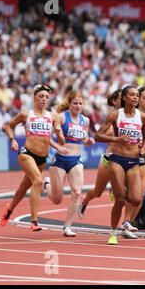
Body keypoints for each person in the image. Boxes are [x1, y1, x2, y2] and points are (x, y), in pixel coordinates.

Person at [0, 84, 65, 231]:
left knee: (24, 188)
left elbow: (60, 141)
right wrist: (13, 140)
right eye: (41, 96)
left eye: (47, 97)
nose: (44, 99)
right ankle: (34, 221)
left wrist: (59, 132)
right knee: (37, 181)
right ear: (35, 98)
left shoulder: (52, 116)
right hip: (26, 154)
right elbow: (9, 126)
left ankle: (9, 210)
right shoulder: (26, 114)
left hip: (42, 158)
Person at [95, 85, 145, 245]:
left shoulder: (143, 117)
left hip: (133, 162)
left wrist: (143, 149)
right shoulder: (115, 115)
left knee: (136, 198)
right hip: (117, 159)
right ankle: (112, 233)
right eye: (131, 95)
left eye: (137, 95)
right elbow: (98, 136)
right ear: (124, 97)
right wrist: (117, 139)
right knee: (119, 199)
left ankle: (122, 192)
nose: (135, 98)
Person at [43, 90, 95, 237]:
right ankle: (47, 184)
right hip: (59, 160)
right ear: (70, 104)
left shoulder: (86, 120)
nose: (78, 106)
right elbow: (47, 137)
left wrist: (88, 141)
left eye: (80, 104)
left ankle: (67, 226)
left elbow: (84, 138)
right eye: (75, 103)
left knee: (77, 192)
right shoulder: (61, 117)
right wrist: (58, 147)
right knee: (56, 199)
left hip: (76, 160)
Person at [77, 89, 121, 218]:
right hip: (109, 159)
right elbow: (100, 135)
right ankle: (85, 201)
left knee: (128, 192)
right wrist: (117, 137)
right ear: (114, 101)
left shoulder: (132, 116)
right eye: (120, 98)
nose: (124, 100)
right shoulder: (111, 116)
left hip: (125, 159)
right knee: (97, 192)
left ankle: (127, 223)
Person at [122, 86, 145, 238]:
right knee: (131, 193)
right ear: (137, 99)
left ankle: (128, 224)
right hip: (130, 155)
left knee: (140, 194)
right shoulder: (132, 115)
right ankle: (125, 221)